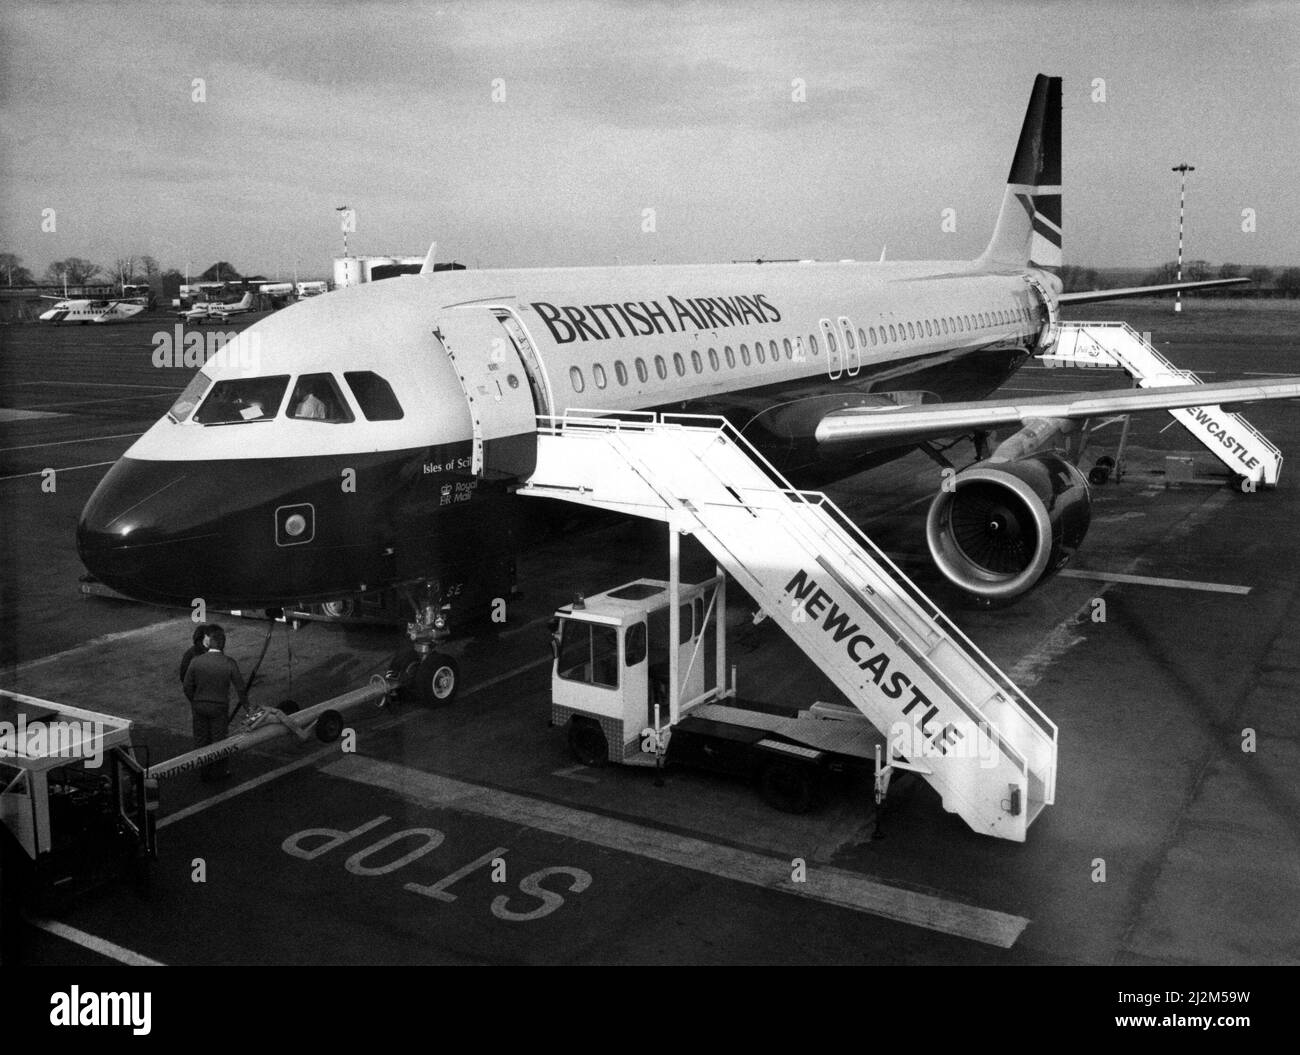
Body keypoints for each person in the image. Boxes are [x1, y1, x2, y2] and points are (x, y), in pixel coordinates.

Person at [182, 625, 248, 781]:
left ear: (209, 643)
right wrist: (248, 708)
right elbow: (240, 688)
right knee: (219, 741)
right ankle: (220, 772)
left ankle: (204, 771)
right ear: (223, 643)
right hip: (219, 707)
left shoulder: (196, 661)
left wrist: (195, 700)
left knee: (201, 739)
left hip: (199, 705)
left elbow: (186, 686)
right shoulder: (229, 663)